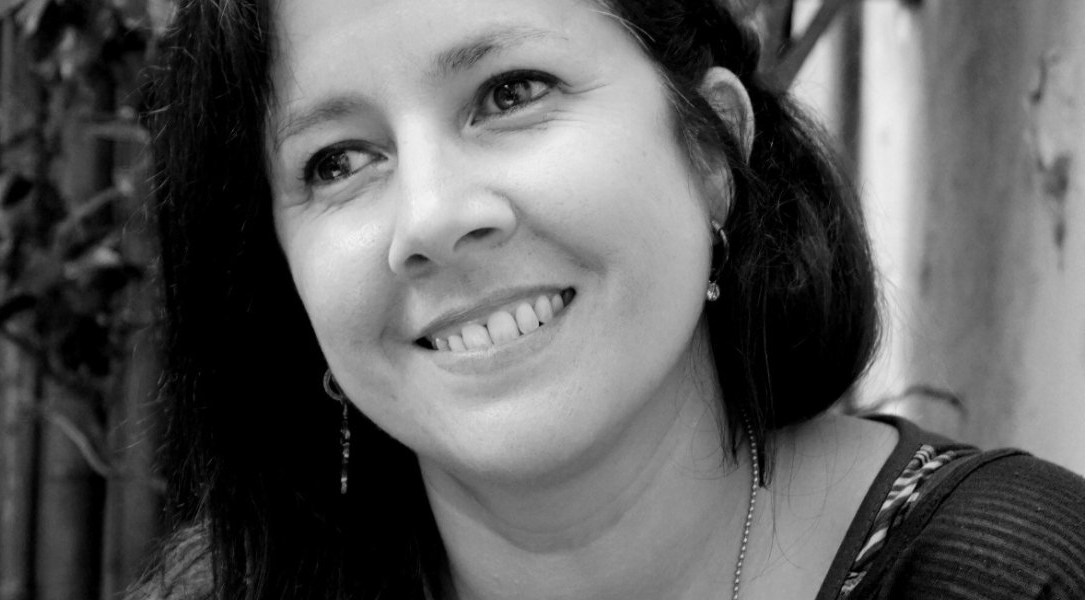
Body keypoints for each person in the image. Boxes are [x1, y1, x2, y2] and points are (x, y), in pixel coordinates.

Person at [135, 0, 1085, 598]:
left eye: (511, 92)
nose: (431, 219)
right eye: (338, 161)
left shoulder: (1018, 574)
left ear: (710, 150)